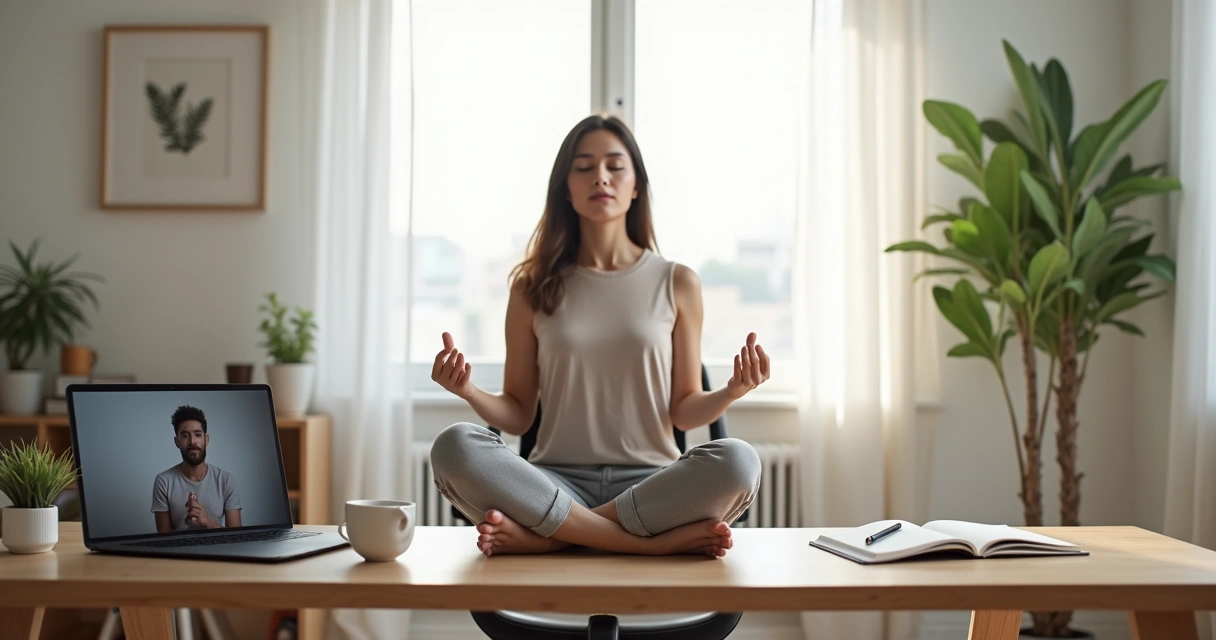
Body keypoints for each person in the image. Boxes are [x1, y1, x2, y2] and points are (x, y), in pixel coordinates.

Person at [429, 114, 768, 559]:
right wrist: (468, 390)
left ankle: (551, 537)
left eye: (615, 165)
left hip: (650, 484)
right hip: (554, 482)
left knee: (739, 461)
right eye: (584, 167)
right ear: (565, 189)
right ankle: (645, 544)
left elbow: (684, 413)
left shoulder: (678, 282)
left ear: (635, 186)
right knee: (454, 446)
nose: (600, 177)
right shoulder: (530, 286)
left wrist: (731, 390)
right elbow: (516, 416)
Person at [151, 405, 242, 532]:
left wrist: (207, 522)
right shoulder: (163, 481)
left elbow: (236, 537)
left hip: (218, 551)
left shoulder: (226, 480)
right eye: (185, 436)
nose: (192, 441)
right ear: (177, 442)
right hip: (178, 551)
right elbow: (163, 541)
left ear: (206, 439)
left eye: (198, 435)